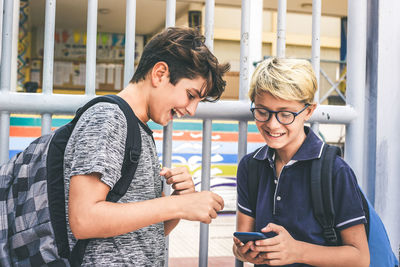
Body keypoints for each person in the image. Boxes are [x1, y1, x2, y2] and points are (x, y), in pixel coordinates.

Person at [65, 26, 230, 266]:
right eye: (191, 95)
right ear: (160, 74)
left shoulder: (139, 129)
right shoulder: (108, 118)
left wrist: (179, 202)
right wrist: (176, 204)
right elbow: (84, 220)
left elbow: (144, 232)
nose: (192, 110)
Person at [232, 58, 369, 266]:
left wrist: (297, 251)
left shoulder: (334, 170)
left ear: (308, 111)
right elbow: (243, 241)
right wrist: (244, 251)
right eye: (262, 112)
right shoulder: (251, 166)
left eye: (286, 114)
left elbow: (360, 258)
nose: (272, 124)